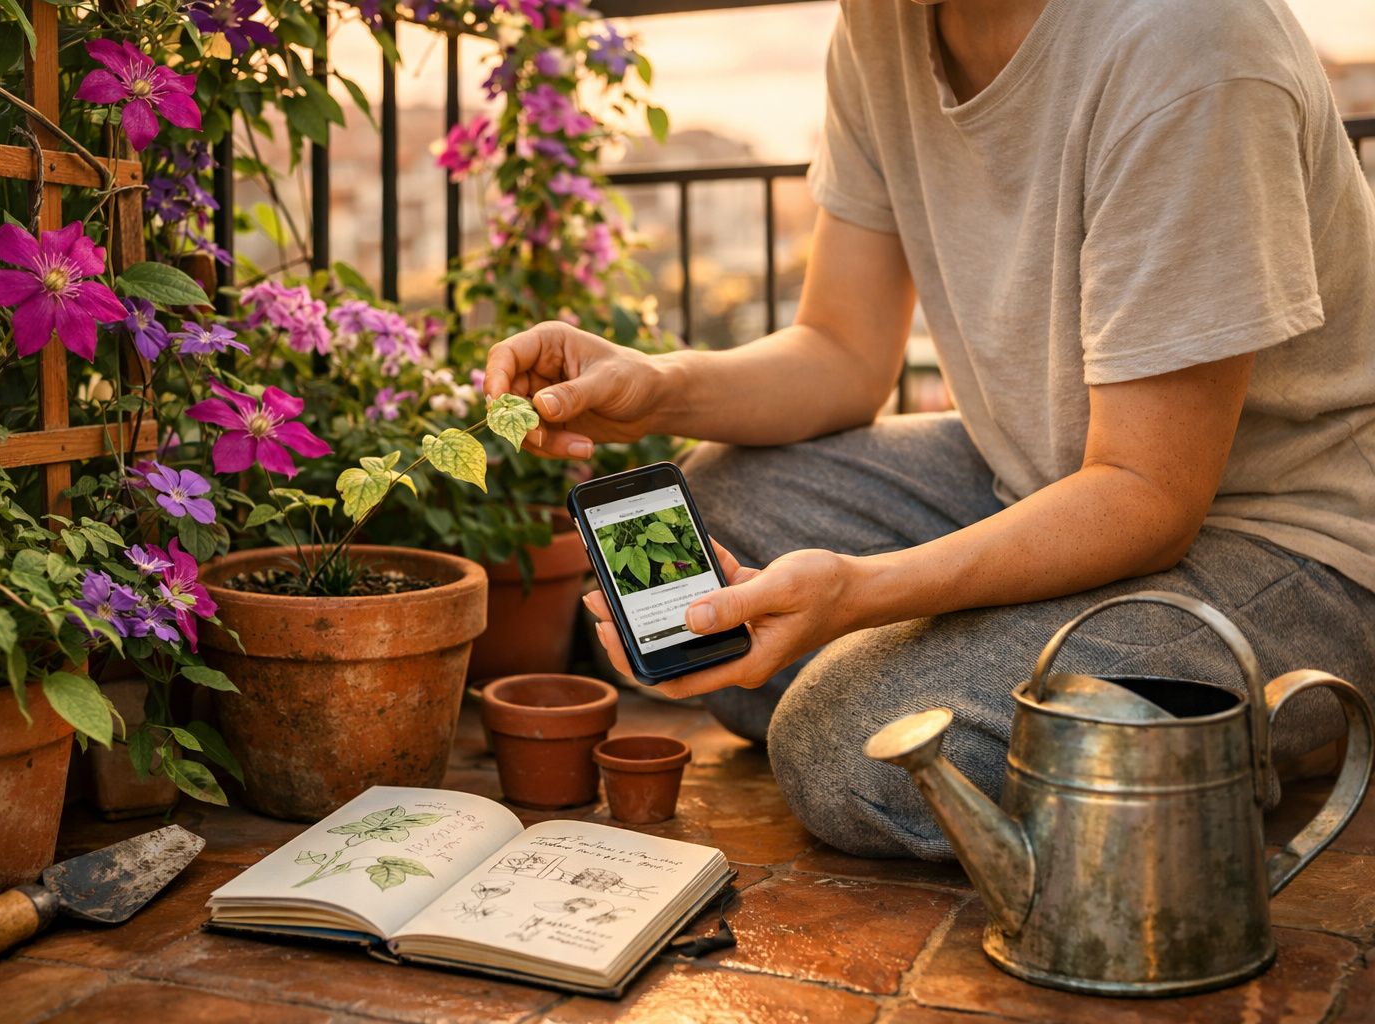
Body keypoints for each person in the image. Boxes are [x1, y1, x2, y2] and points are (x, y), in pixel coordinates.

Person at [484, 0, 1375, 860]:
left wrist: (861, 596)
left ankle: (1270, 728)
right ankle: (1030, 692)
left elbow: (1150, 494)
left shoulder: (1188, 42)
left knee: (845, 743)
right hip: (1043, 474)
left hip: (1296, 546)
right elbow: (842, 352)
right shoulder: (880, 22)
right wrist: (656, 385)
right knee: (721, 505)